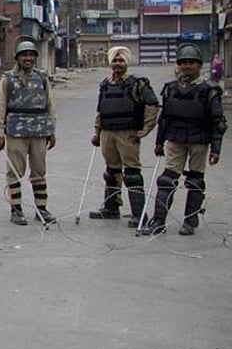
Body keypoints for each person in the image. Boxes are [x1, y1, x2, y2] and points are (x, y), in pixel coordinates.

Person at [140, 43, 226, 236]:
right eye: (184, 63)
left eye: (191, 63)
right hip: (175, 138)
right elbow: (164, 118)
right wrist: (159, 142)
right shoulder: (170, 89)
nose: (187, 66)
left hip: (199, 140)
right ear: (178, 65)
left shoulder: (209, 90)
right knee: (166, 180)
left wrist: (216, 149)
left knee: (195, 181)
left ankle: (190, 220)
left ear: (199, 65)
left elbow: (218, 121)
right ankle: (158, 221)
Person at [88, 46, 159, 226]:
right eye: (115, 60)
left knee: (132, 173)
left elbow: (152, 105)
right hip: (108, 133)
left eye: (121, 60)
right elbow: (101, 111)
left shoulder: (138, 83)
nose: (117, 64)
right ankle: (111, 208)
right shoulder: (105, 84)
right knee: (111, 172)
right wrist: (97, 132)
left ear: (127, 63)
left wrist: (145, 130)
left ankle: (139, 215)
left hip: (128, 133)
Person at [0, 38, 57, 226]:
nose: (28, 58)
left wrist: (52, 130)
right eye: (24, 55)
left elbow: (50, 105)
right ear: (17, 58)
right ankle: (16, 210)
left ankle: (41, 208)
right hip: (16, 131)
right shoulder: (8, 79)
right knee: (14, 171)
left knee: (39, 171)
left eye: (31, 55)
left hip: (39, 131)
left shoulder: (42, 77)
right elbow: (0, 107)